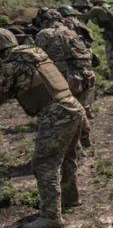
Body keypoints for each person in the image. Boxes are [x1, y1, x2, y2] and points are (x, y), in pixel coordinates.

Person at [0, 29, 86, 228]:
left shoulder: (11, 65)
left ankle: (50, 216)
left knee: (43, 164)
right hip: (72, 107)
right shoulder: (33, 55)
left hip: (56, 114)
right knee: (67, 157)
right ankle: (70, 198)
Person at [34, 9, 96, 147]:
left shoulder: (44, 34)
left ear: (44, 21)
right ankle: (84, 137)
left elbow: (38, 57)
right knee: (80, 108)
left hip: (65, 78)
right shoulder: (71, 31)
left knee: (65, 113)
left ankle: (74, 145)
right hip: (85, 75)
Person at [78, 0, 113, 95]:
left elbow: (83, 17)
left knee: (112, 62)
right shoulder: (110, 7)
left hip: (111, 37)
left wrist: (73, 11)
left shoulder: (96, 9)